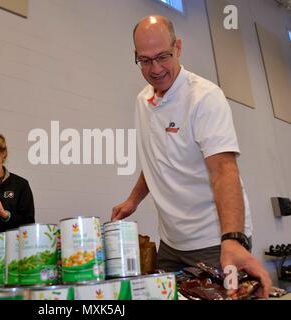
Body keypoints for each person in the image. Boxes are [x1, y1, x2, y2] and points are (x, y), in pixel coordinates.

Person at [111, 15, 272, 298]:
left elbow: (224, 170)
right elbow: (156, 160)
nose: (156, 68)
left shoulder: (204, 97)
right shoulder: (142, 101)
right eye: (145, 60)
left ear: (179, 48)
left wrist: (232, 239)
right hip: (172, 244)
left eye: (163, 56)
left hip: (215, 242)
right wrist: (133, 200)